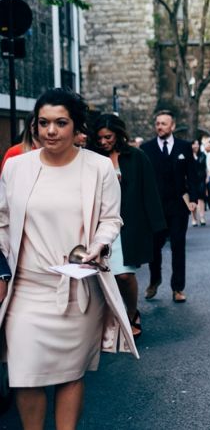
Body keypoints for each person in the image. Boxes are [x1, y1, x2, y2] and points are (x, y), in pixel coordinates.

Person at [0, 89, 138, 429]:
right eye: (43, 123)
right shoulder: (15, 167)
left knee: (69, 375)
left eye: (60, 123)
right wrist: (2, 275)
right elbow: (2, 222)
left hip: (77, 290)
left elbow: (110, 219)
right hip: (26, 290)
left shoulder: (99, 167)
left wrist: (100, 245)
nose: (50, 131)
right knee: (25, 375)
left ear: (77, 127)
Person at [92, 113, 167, 340]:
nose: (104, 142)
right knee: (104, 276)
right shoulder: (92, 159)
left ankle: (132, 311)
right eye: (100, 138)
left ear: (118, 135)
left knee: (124, 276)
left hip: (129, 225)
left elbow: (150, 192)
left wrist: (158, 227)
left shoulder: (136, 157)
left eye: (108, 137)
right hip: (99, 224)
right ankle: (110, 317)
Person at [141, 111, 198, 303]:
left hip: (178, 206)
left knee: (178, 246)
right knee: (154, 247)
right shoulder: (146, 148)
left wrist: (194, 199)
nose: (160, 127)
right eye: (157, 123)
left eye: (164, 124)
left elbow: (192, 174)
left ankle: (178, 288)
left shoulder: (184, 147)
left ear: (172, 126)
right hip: (155, 207)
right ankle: (154, 279)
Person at [190, 139, 208, 226]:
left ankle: (202, 217)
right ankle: (194, 218)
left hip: (201, 179)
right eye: (194, 144)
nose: (196, 146)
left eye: (197, 144)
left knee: (201, 198)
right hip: (191, 180)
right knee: (193, 199)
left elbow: (206, 167)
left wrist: (207, 177)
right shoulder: (188, 156)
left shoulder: (203, 155)